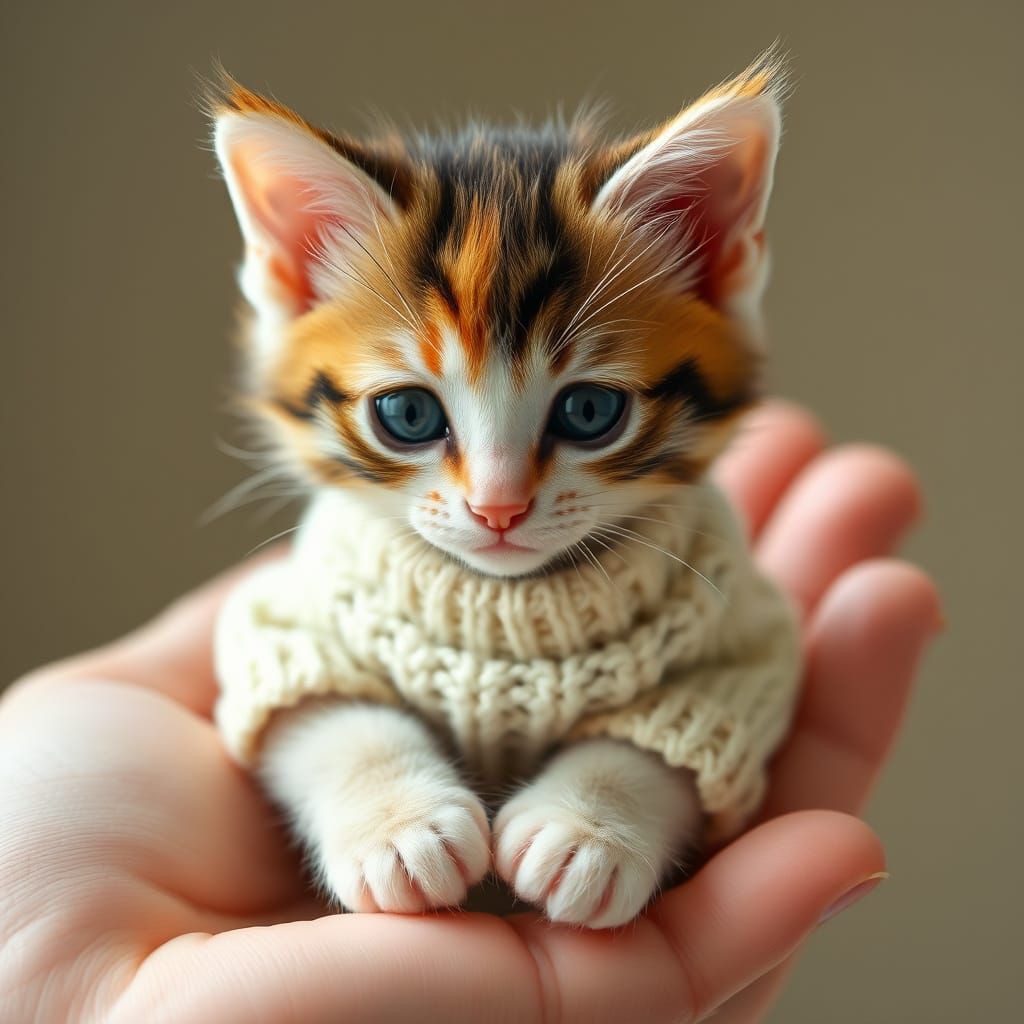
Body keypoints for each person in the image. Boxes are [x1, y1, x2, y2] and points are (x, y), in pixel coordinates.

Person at [0, 402, 940, 1024]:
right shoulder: (342, 561)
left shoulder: (709, 579)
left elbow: (725, 687)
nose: (498, 497)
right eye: (412, 413)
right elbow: (290, 668)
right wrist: (366, 792)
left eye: (586, 409)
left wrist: (620, 802)